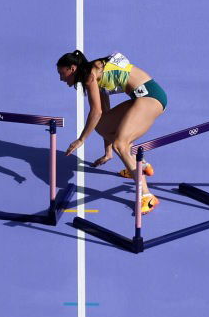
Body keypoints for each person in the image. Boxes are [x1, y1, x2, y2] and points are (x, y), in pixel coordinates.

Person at [57, 50, 168, 214]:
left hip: (151, 97)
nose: (61, 78)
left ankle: (147, 196)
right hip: (141, 97)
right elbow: (104, 114)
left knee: (121, 144)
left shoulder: (90, 76)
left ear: (72, 68)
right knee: (101, 126)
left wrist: (81, 140)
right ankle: (140, 166)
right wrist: (108, 153)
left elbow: (95, 112)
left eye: (62, 73)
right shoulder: (93, 72)